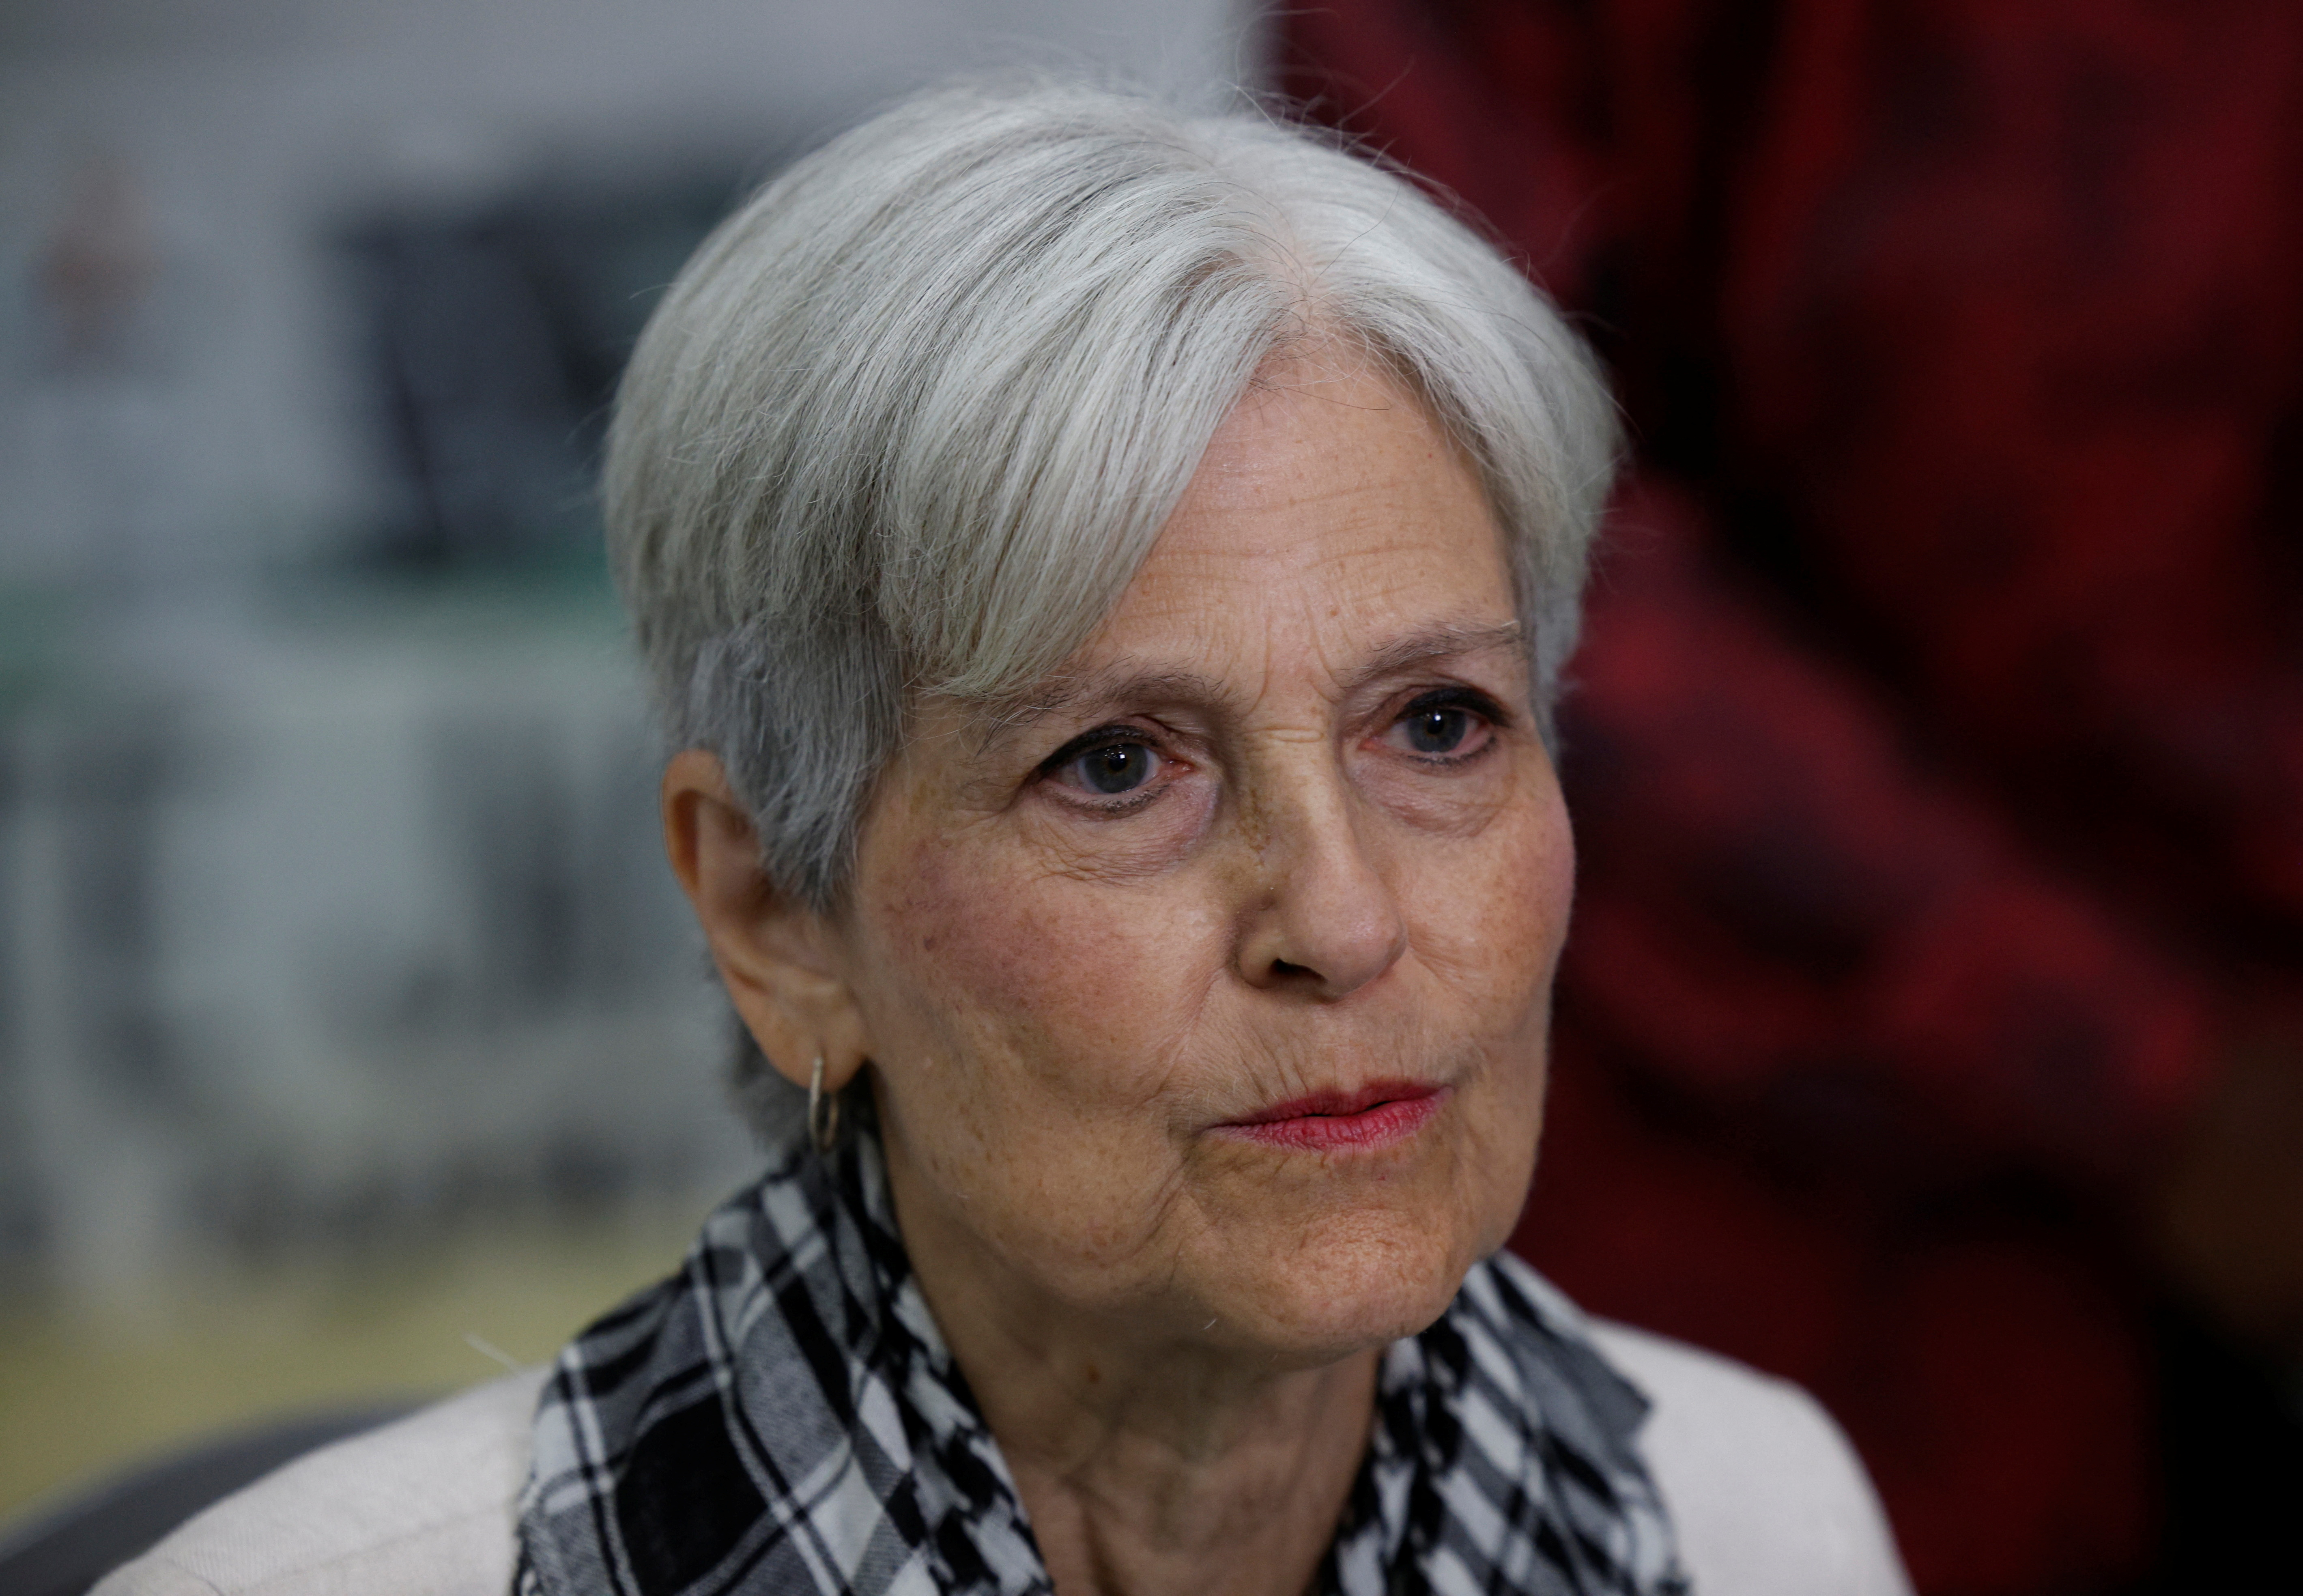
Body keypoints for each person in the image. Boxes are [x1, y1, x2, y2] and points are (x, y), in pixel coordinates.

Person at [95, 81, 1910, 1596]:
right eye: (1115, 765)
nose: (1343, 918)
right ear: (773, 910)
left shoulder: (1752, 1526)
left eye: (1438, 725)